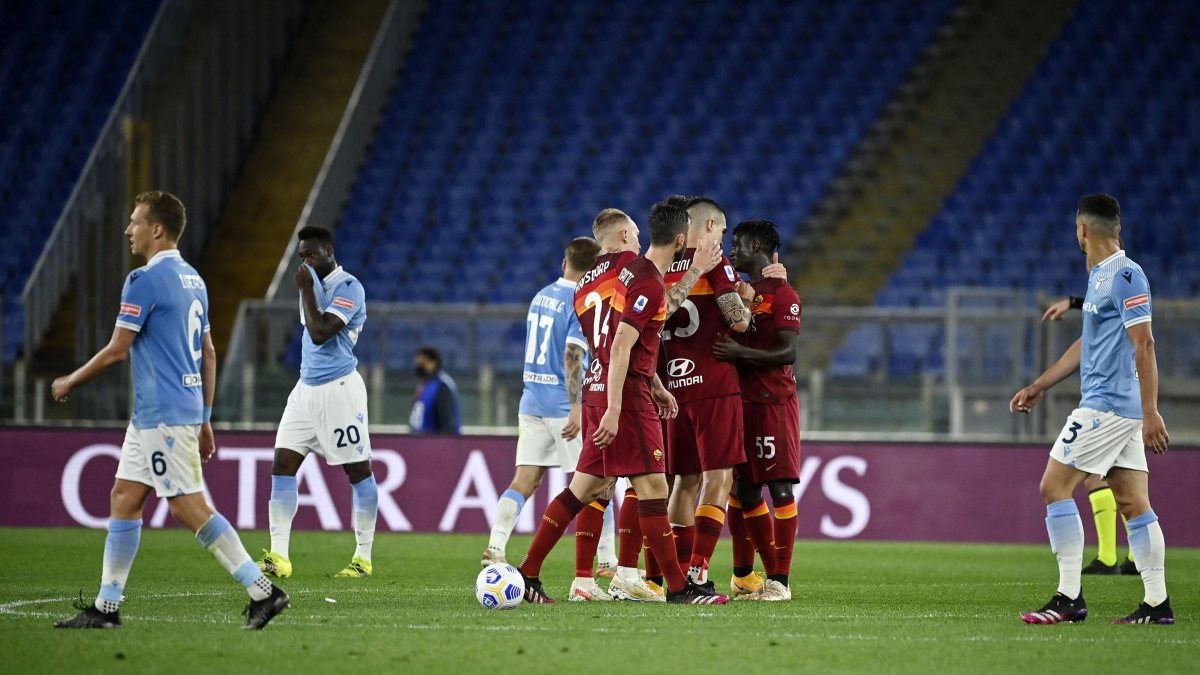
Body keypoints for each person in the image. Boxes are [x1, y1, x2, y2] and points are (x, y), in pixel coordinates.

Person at [51, 191, 288, 630]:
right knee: (124, 497)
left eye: (135, 222)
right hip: (161, 413)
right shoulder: (194, 279)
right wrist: (205, 417)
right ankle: (107, 607)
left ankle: (263, 590)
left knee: (186, 507)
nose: (128, 230)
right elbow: (209, 353)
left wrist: (69, 380)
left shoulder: (143, 280)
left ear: (156, 229)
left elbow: (118, 351)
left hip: (162, 412)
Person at [516, 204, 728, 605]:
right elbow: (622, 343)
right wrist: (619, 406)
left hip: (600, 385)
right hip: (623, 396)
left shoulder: (588, 282)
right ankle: (679, 587)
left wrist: (656, 383)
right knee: (652, 485)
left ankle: (528, 573)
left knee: (583, 488)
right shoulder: (640, 274)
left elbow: (621, 337)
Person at [1011, 194, 1173, 625]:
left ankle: (1068, 598)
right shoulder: (1100, 277)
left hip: (1107, 407)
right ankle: (1157, 604)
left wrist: (1151, 409)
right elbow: (1089, 343)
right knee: (1133, 502)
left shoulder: (1125, 276)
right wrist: (1040, 384)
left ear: (1083, 230)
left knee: (1053, 487)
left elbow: (1145, 343)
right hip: (1116, 408)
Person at [482, 237, 620, 596]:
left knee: (524, 480)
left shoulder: (540, 295)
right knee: (593, 481)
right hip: (564, 406)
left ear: (564, 263)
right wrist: (576, 405)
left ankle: (496, 546)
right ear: (594, 268)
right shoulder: (582, 299)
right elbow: (573, 354)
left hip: (531, 402)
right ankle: (606, 559)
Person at [258, 225, 377, 579]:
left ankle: (363, 557)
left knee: (358, 472)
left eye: (312, 254)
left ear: (328, 251)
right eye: (302, 257)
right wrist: (307, 287)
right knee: (282, 464)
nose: (306, 261)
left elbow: (321, 331)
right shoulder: (308, 283)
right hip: (305, 390)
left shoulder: (349, 287)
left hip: (339, 390)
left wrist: (307, 288)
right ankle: (279, 557)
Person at [660, 197, 750, 593]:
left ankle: (675, 574)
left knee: (683, 481)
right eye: (724, 230)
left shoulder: (664, 265)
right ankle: (697, 571)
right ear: (710, 226)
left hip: (673, 388)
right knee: (720, 477)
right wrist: (747, 302)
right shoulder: (715, 262)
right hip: (714, 386)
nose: (725, 238)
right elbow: (738, 321)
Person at [713, 220, 802, 601]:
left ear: (754, 245)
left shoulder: (784, 295)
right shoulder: (741, 292)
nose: (733, 250)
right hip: (740, 404)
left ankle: (780, 581)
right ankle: (749, 576)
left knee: (779, 488)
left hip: (773, 404)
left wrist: (741, 353)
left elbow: (788, 352)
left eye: (737, 244)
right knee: (744, 489)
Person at [1042, 296, 1137, 575]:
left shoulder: (1119, 277)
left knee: (1064, 483)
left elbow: (1115, 309)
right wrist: (1074, 303)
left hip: (1111, 401)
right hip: (1120, 398)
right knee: (1117, 482)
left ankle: (1111, 559)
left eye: (1086, 249)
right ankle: (1126, 558)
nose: (1086, 256)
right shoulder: (1112, 282)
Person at [409, 346, 461, 434]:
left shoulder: (441, 385)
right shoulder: (424, 386)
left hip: (433, 444)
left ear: (433, 363)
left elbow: (447, 424)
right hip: (418, 443)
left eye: (422, 363)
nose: (419, 367)